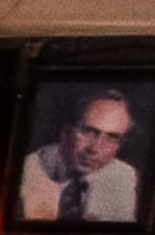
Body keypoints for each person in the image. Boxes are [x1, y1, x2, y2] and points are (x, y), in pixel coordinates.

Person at [21, 86, 140, 224]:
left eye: (112, 138)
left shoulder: (123, 176)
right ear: (65, 131)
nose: (95, 148)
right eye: (88, 132)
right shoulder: (27, 171)